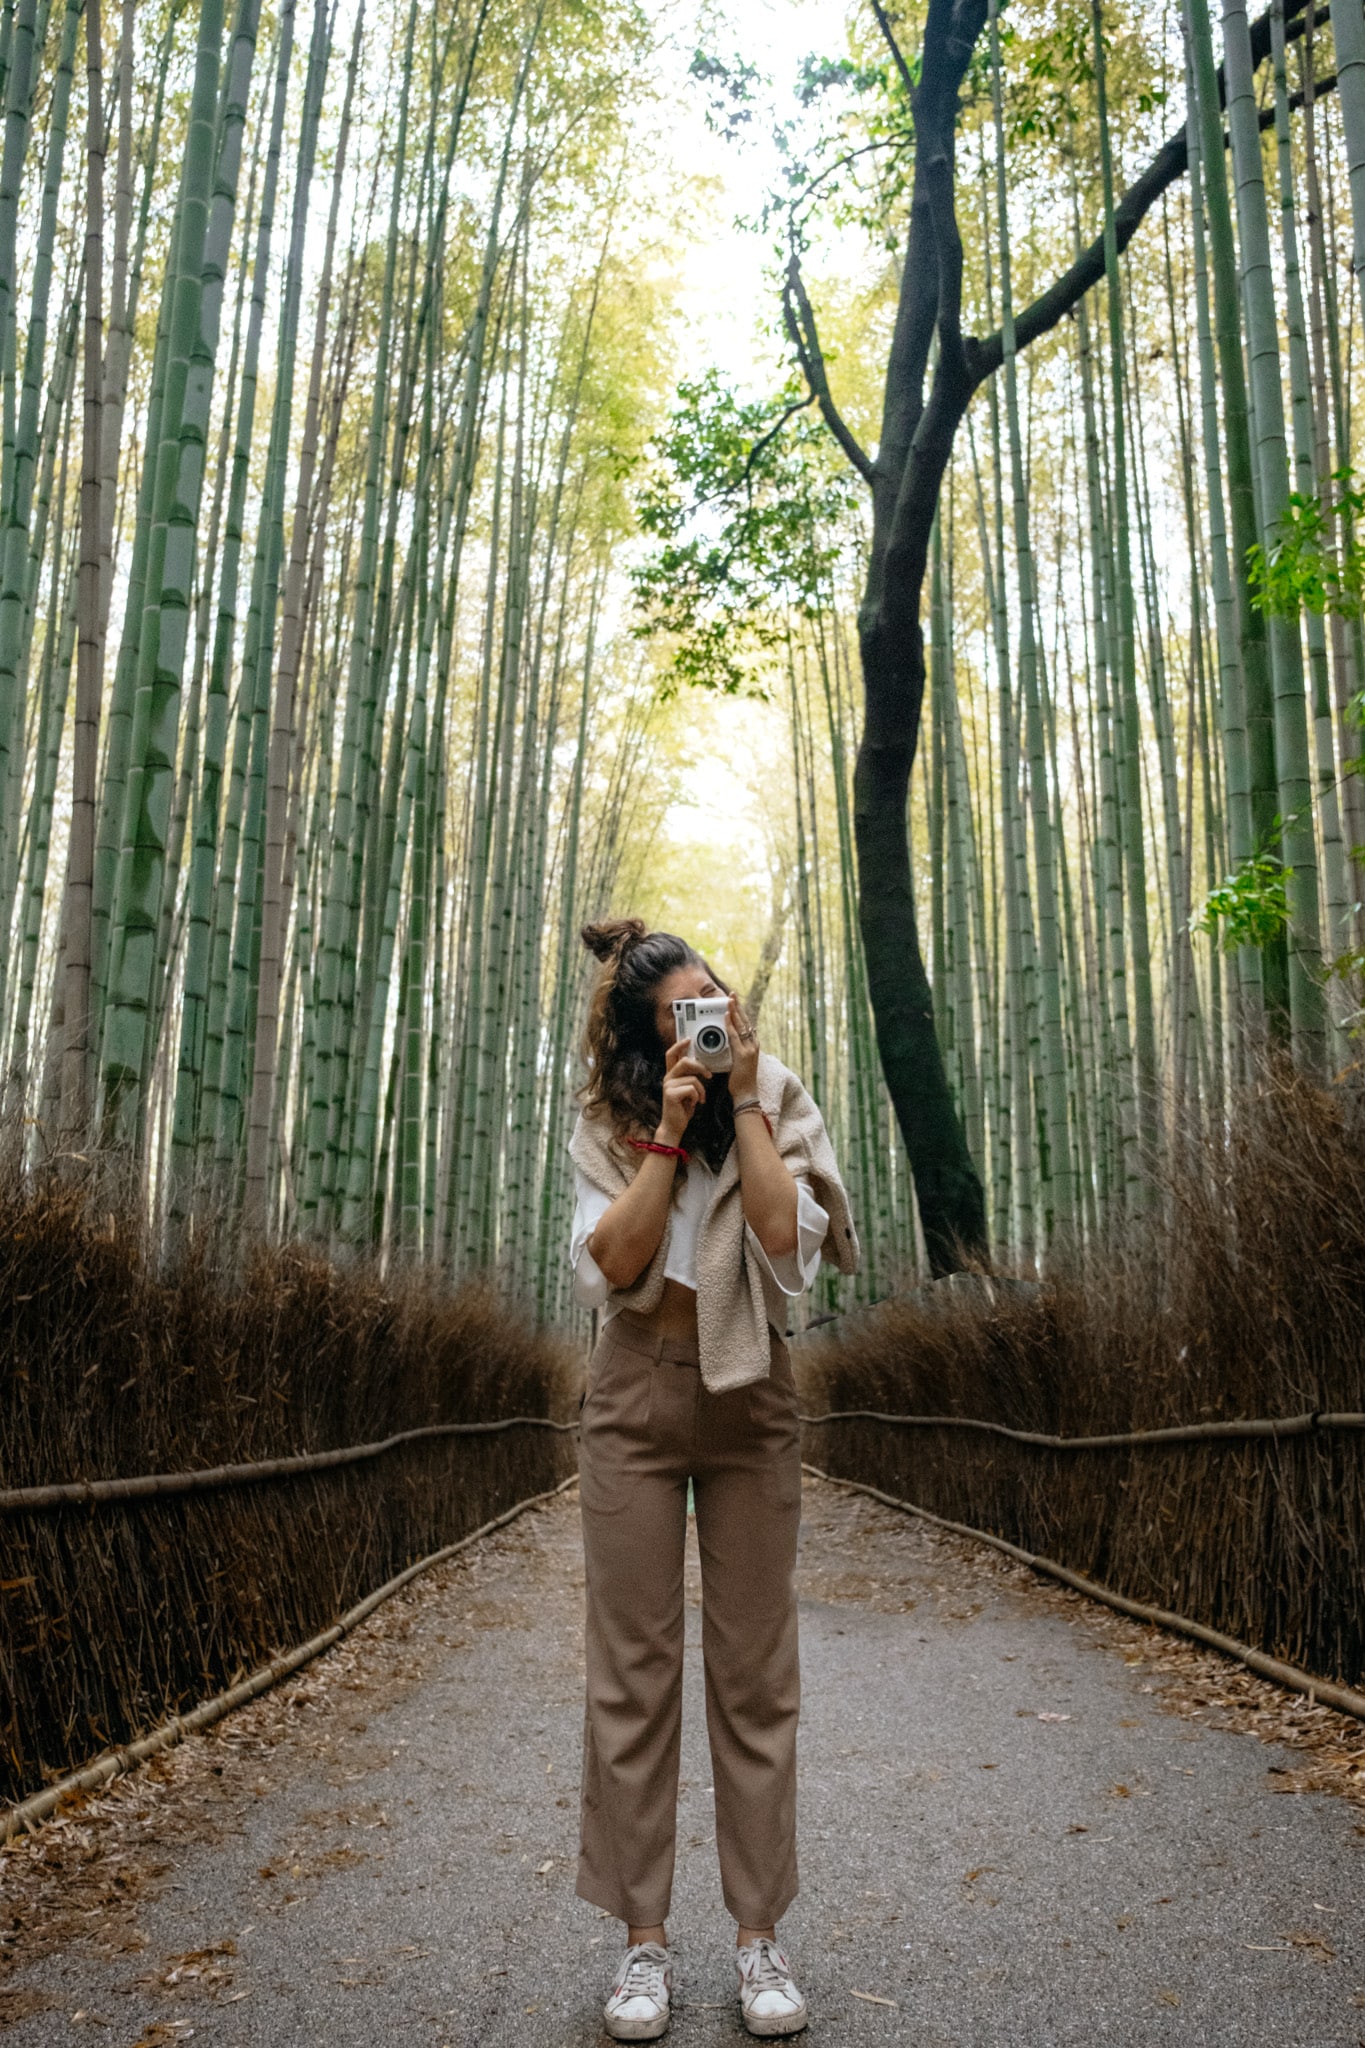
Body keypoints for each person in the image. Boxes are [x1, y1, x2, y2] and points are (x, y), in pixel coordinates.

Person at [568, 918, 859, 2040]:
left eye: (719, 997)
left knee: (754, 1672)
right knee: (633, 1671)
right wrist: (669, 1130)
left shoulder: (775, 1092)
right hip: (636, 1390)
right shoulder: (610, 1116)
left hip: (753, 1388)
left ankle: (757, 1936)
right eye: (688, 1013)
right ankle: (644, 1944)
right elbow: (614, 1265)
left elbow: (789, 1248)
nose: (714, 1017)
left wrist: (738, 1101)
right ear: (650, 1041)